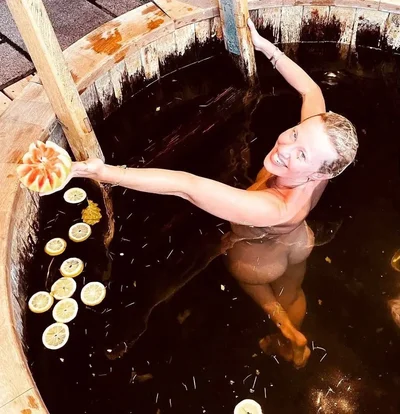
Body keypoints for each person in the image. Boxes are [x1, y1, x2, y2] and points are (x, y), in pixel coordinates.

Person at [45, 19, 358, 367]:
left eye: (301, 154)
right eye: (296, 133)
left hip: (259, 260)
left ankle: (285, 331)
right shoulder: (323, 158)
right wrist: (265, 47)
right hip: (300, 241)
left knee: (266, 294)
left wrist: (107, 173)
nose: (286, 147)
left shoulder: (272, 207)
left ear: (320, 172)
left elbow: (187, 186)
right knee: (293, 291)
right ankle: (294, 339)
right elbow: (311, 91)